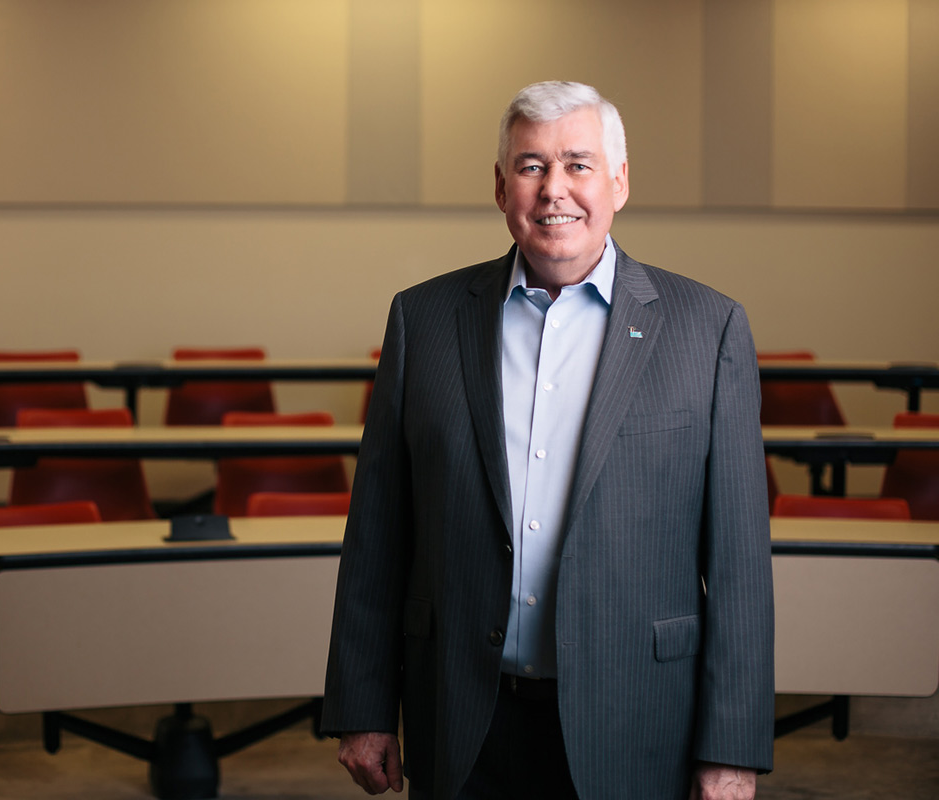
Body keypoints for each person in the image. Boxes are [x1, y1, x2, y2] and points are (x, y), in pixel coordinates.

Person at [321, 81, 774, 800]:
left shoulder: (706, 329)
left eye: (578, 164)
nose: (553, 189)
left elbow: (741, 562)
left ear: (620, 182)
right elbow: (378, 532)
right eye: (531, 166)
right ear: (501, 188)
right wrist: (363, 704)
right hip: (464, 715)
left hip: (637, 719)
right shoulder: (424, 320)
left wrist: (732, 745)